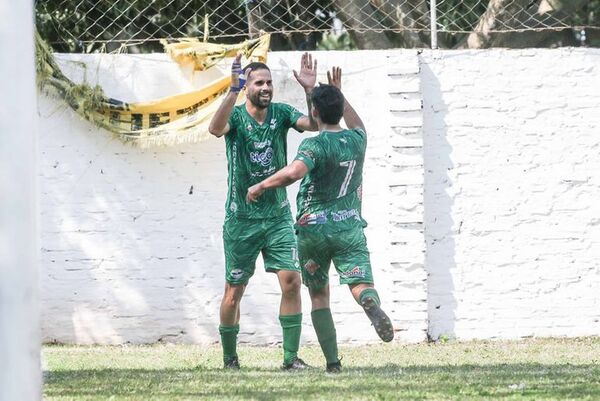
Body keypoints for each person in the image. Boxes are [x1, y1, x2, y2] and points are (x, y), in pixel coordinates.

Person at [246, 67, 394, 373]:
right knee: (360, 282)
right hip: (349, 227)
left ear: (314, 111)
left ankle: (333, 363)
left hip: (313, 228)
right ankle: (369, 302)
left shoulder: (314, 145)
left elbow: (294, 173)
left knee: (318, 294)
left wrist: (261, 185)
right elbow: (355, 120)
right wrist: (339, 93)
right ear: (339, 107)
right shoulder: (357, 139)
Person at [208, 52, 319, 370]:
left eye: (269, 82)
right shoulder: (238, 116)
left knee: (292, 282)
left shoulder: (281, 113)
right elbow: (216, 129)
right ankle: (230, 359)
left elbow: (312, 123)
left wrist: (309, 90)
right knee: (234, 291)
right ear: (247, 87)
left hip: (277, 218)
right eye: (259, 82)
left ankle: (290, 359)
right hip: (240, 219)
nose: (267, 87)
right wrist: (231, 90)